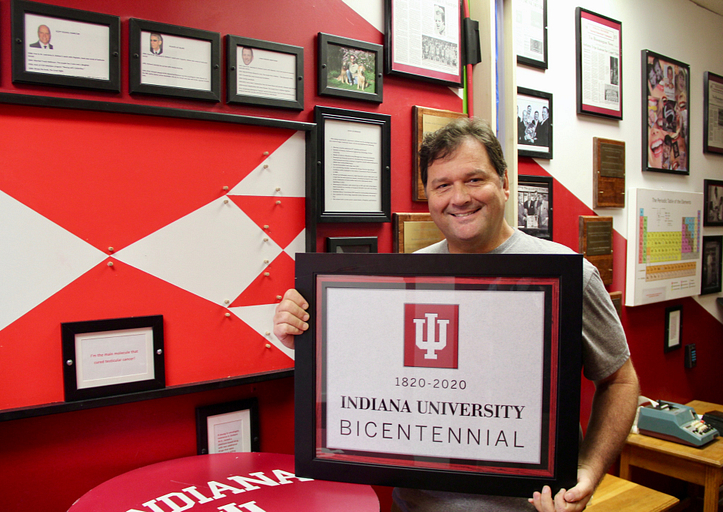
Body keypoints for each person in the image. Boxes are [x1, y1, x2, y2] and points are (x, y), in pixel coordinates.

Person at [274, 118, 640, 512]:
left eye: (474, 179)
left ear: (503, 183)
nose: (459, 197)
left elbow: (620, 382)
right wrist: (305, 340)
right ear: (428, 196)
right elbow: (372, 382)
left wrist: (587, 468)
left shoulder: (568, 275)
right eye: (442, 185)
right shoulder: (404, 277)